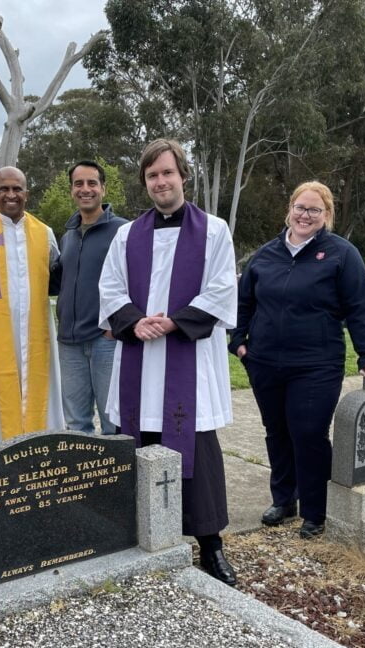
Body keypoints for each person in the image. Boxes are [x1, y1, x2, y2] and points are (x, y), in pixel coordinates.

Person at [99, 139, 238, 587]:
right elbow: (110, 288)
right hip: (140, 361)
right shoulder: (127, 235)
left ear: (183, 176)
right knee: (140, 443)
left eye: (167, 173)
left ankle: (210, 545)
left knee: (198, 453)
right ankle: (138, 535)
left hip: (189, 363)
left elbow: (221, 289)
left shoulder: (213, 231)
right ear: (145, 182)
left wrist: (176, 322)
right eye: (152, 175)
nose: (160, 182)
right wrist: (134, 322)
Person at [229, 181, 365, 537]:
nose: (305, 215)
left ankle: (316, 511)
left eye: (315, 210)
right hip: (265, 363)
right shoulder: (265, 255)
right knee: (277, 432)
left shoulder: (341, 254)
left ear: (326, 215)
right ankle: (284, 500)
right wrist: (238, 342)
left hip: (317, 364)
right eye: (300, 207)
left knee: (309, 433)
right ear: (290, 208)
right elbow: (243, 302)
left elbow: (358, 307)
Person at [0, 167, 64, 439]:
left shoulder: (44, 233)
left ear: (26, 194)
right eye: (4, 189)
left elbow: (54, 275)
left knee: (40, 393)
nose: (11, 195)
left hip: (37, 332)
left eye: (17, 189)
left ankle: (41, 445)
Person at [56, 160, 127, 434]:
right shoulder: (68, 236)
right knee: (76, 425)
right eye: (78, 184)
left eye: (92, 183)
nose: (85, 189)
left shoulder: (123, 231)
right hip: (69, 344)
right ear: (71, 190)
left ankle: (115, 465)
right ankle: (81, 466)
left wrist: (115, 327)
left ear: (103, 189)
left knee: (114, 423)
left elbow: (138, 283)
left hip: (105, 341)